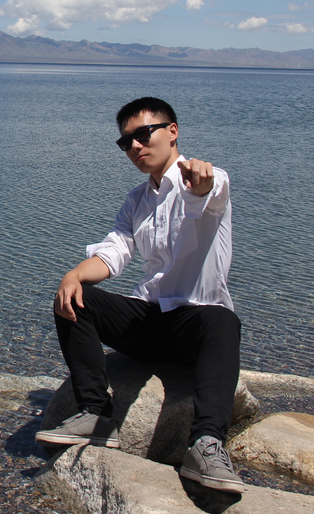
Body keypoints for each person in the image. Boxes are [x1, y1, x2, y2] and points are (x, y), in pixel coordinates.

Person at [34, 97, 245, 493]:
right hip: (149, 319)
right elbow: (114, 253)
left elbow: (210, 191)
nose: (134, 146)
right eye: (126, 141)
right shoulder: (136, 200)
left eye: (143, 134)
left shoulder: (208, 180)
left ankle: (206, 445)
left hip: (197, 324)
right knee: (76, 298)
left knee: (223, 320)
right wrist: (73, 275)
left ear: (172, 131)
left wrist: (203, 184)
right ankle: (96, 415)